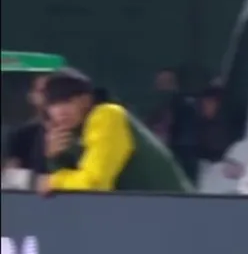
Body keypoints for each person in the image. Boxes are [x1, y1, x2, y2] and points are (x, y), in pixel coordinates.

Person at [38, 69, 192, 193]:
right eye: (54, 105)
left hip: (176, 211)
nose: (61, 111)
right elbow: (73, 193)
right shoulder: (72, 132)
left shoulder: (107, 115)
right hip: (139, 212)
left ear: (86, 100)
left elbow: (95, 184)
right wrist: (56, 158)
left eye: (68, 102)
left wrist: (54, 181)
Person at [2, 73, 50, 188]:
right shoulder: (21, 135)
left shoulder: (80, 132)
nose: (48, 96)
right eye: (42, 91)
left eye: (53, 91)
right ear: (31, 96)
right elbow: (11, 179)